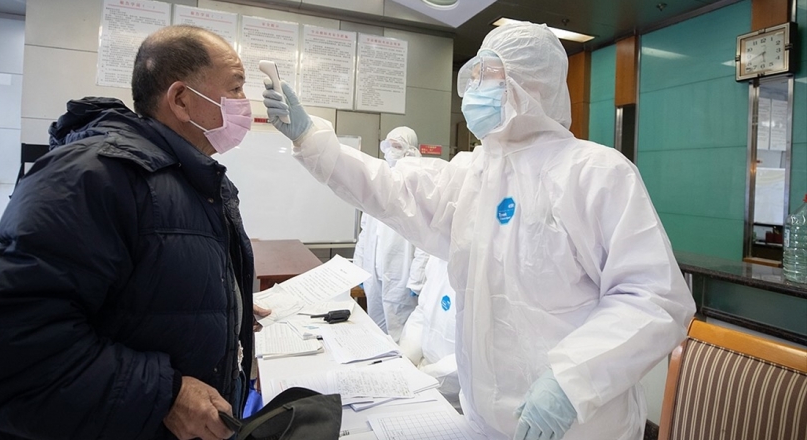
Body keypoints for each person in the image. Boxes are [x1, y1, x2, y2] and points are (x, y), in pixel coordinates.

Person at [263, 20, 696, 440]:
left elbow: (652, 297)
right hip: (482, 418)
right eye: (473, 77)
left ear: (531, 84)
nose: (474, 89)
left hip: (579, 424)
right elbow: (392, 190)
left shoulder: (595, 173)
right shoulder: (474, 173)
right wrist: (312, 139)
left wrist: (571, 381)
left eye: (488, 75)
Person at [0, 25, 267, 440]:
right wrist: (165, 396)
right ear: (182, 99)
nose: (245, 105)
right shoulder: (96, 175)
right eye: (236, 88)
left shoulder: (191, 178)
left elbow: (139, 288)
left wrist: (224, 307)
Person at [353, 126, 428, 342]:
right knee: (375, 329)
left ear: (411, 149)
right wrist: (358, 269)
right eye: (388, 145)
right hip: (373, 271)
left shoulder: (419, 185)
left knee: (400, 333)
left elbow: (426, 241)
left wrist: (417, 279)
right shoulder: (379, 182)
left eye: (397, 146)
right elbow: (365, 231)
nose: (391, 151)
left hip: (400, 275)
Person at [398, 254, 461, 410]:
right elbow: (422, 312)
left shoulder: (489, 271)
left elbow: (472, 359)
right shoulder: (439, 257)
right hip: (423, 377)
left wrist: (421, 377)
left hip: (458, 398)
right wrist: (406, 359)